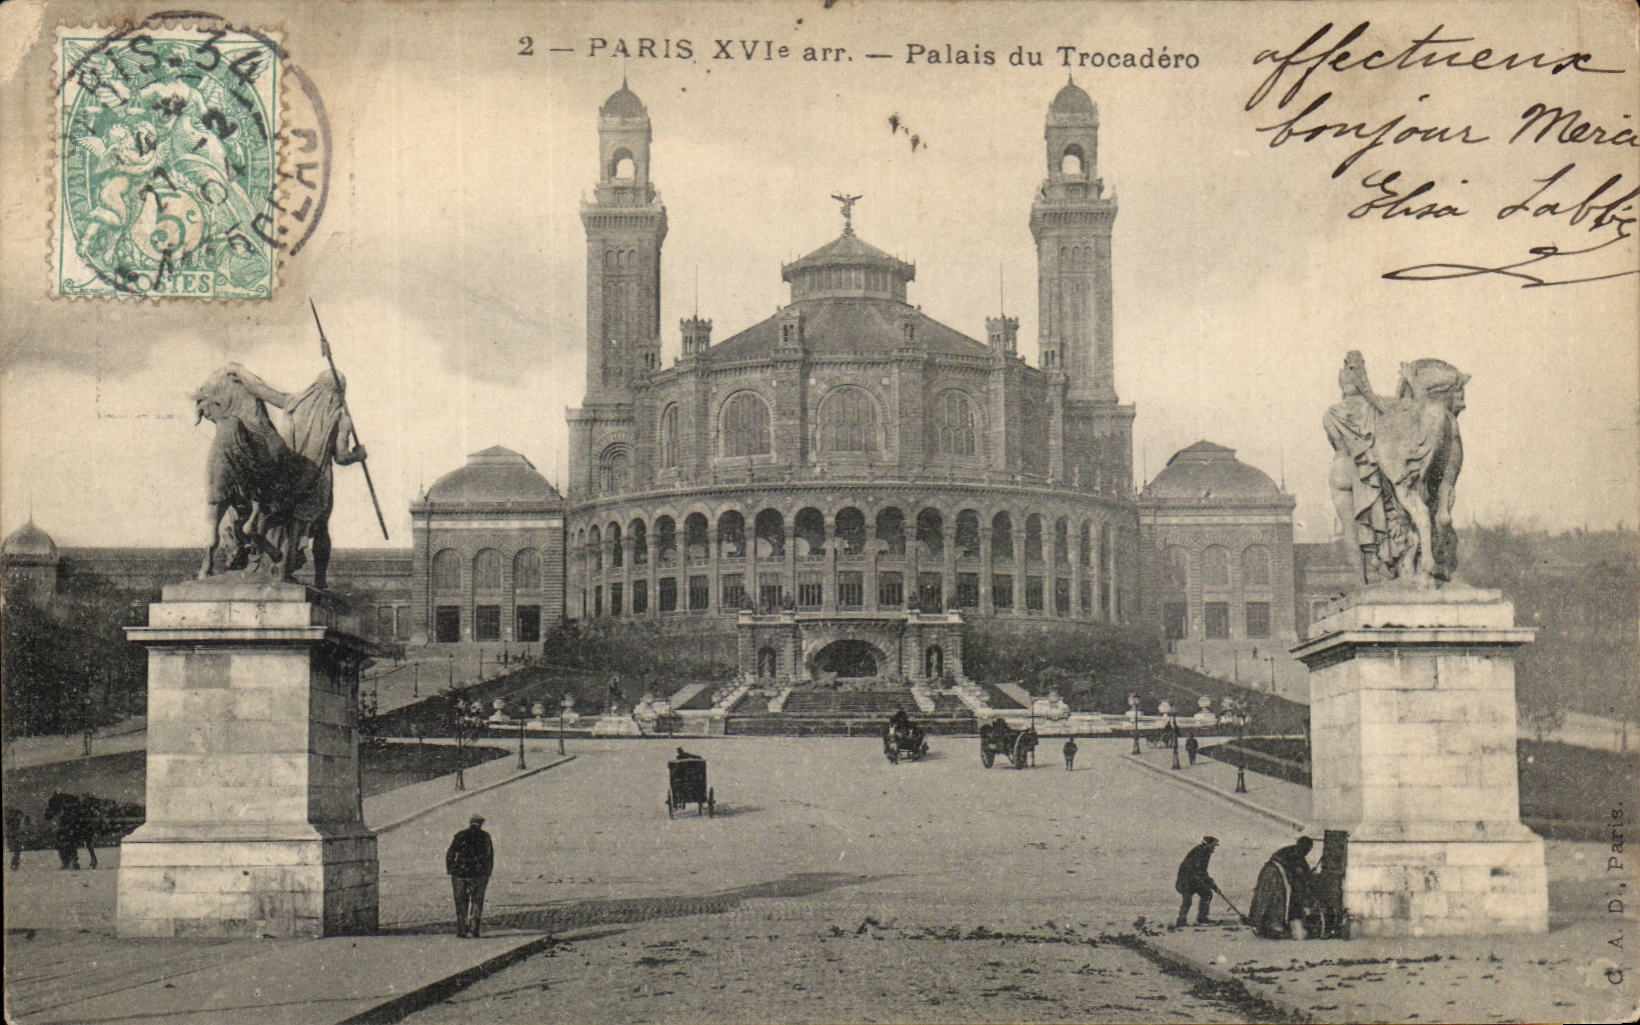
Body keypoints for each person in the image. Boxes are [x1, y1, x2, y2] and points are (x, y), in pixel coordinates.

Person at [1248, 836, 1314, 939]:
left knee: (1264, 898)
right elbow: (1299, 871)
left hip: (1267, 871)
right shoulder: (1296, 854)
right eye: (1308, 849)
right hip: (1275, 875)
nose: (1307, 852)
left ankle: (1259, 923)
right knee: (1277, 899)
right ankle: (1272, 926)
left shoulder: (1289, 851)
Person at [445, 813, 494, 938]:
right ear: (481, 824)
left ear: (470, 822)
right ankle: (474, 929)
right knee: (477, 902)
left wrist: (451, 869)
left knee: (461, 902)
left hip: (460, 874)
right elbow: (490, 856)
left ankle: (462, 930)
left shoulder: (460, 835)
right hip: (478, 874)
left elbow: (450, 853)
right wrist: (487, 872)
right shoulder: (485, 836)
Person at [1174, 836, 1218, 926]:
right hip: (1185, 881)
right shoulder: (1200, 853)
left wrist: (1212, 885)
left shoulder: (1204, 852)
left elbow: (1202, 872)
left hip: (1193, 881)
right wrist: (1212, 885)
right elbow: (1201, 872)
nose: (1214, 848)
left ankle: (1202, 918)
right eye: (1213, 845)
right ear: (1208, 845)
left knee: (1207, 894)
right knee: (1187, 900)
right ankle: (1181, 920)